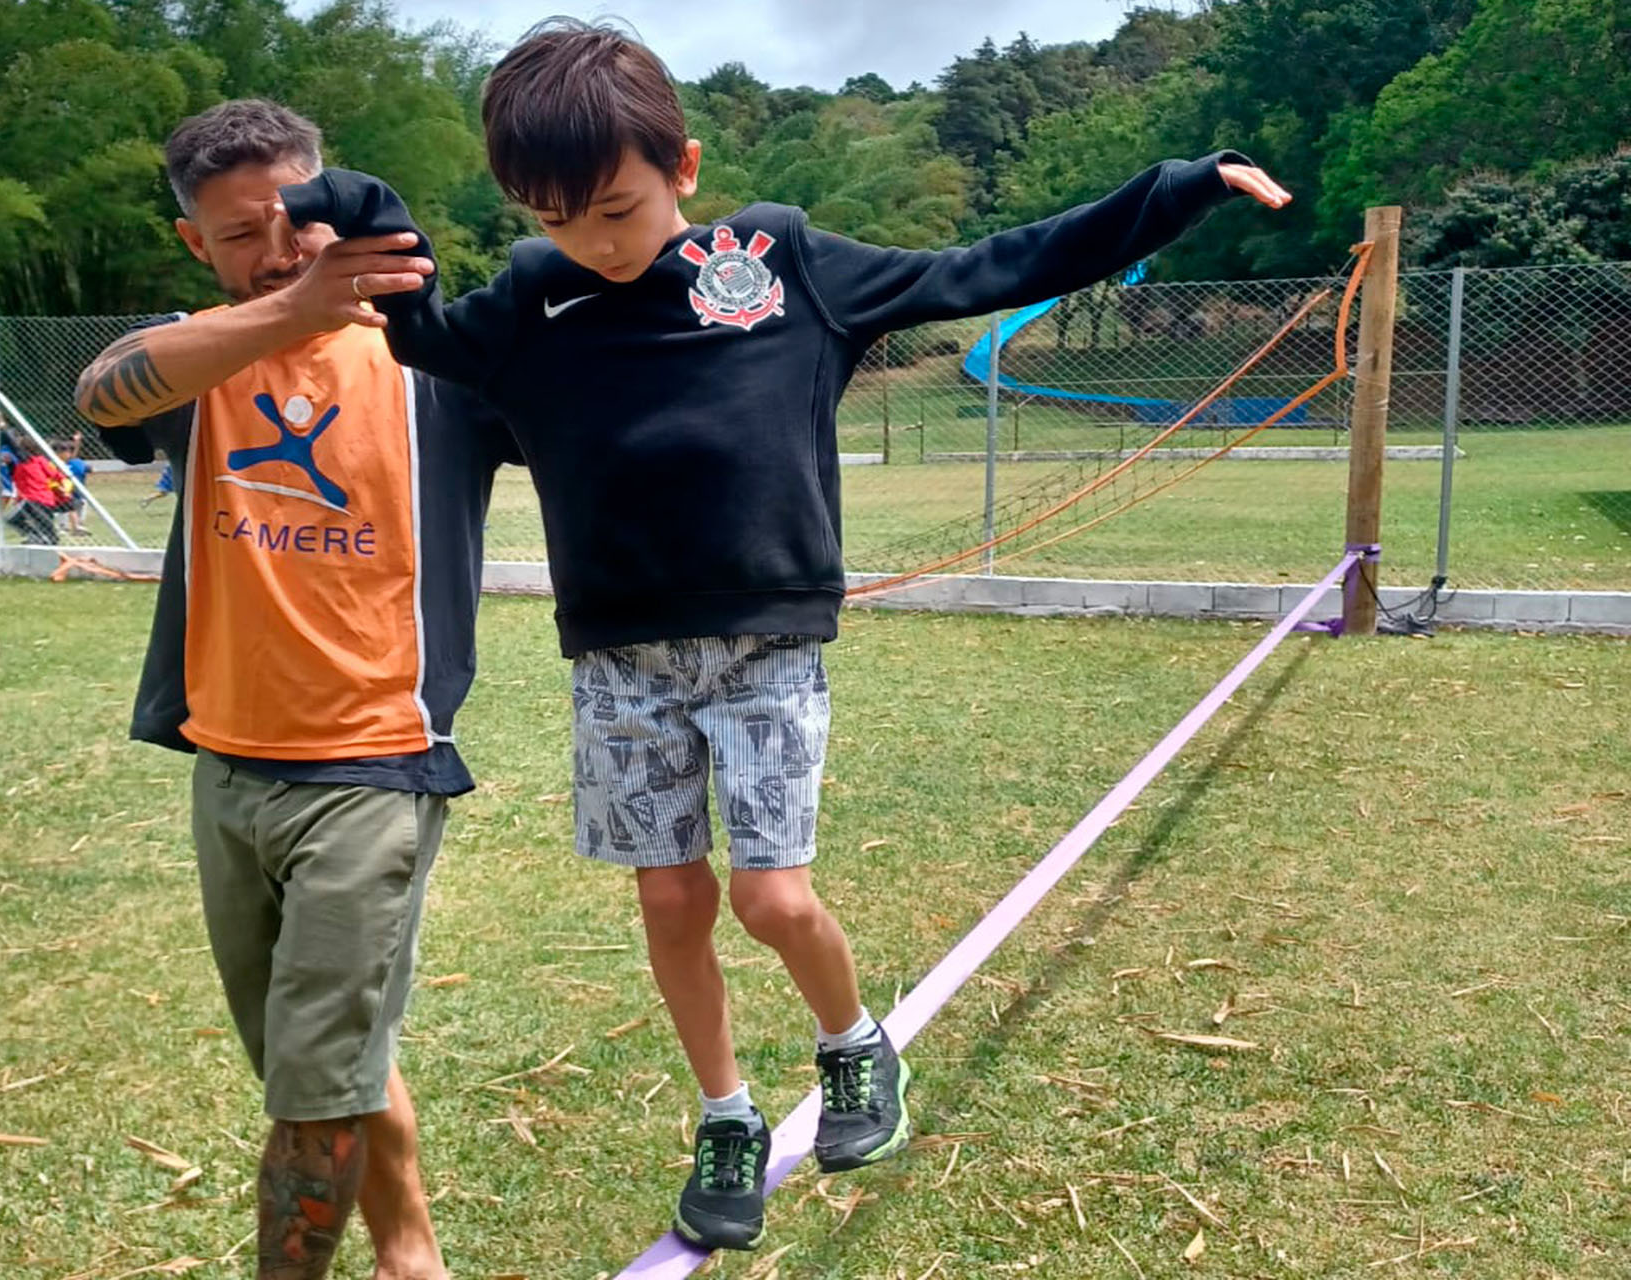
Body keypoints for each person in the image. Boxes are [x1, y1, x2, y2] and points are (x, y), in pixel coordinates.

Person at [283, 18, 1293, 1253]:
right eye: (557, 217)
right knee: (671, 899)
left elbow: (987, 266)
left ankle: (853, 1041)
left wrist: (1175, 191)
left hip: (764, 644)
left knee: (769, 896)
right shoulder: (531, 300)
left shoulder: (778, 265)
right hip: (619, 661)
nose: (596, 243)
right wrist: (363, 214)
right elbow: (420, 323)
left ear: (684, 168)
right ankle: (727, 1114)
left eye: (618, 208)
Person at [74, 98, 515, 1280]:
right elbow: (100, 392)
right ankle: (410, 1246)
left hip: (372, 767)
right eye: (238, 236)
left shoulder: (434, 362)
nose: (275, 253)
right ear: (195, 245)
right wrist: (286, 310)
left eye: (294, 222)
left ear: (333, 198)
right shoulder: (201, 356)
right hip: (227, 767)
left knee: (311, 1088)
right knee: (314, 1056)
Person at [4, 447, 67, 545]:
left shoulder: (37, 461)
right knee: (42, 524)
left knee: (12, 519)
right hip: (39, 499)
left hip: (37, 498)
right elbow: (18, 480)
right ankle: (41, 538)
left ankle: (41, 537)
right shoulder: (21, 466)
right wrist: (10, 464)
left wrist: (62, 485)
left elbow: (54, 475)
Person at [57, 436, 92, 536]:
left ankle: (77, 526)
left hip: (77, 492)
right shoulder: (58, 464)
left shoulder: (75, 463)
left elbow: (89, 469)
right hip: (66, 492)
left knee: (79, 507)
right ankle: (65, 527)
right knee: (65, 508)